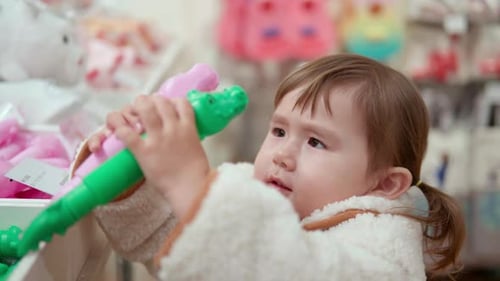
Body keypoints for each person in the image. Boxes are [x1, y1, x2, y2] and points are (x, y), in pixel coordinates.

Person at [72, 54, 465, 280]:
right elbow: (173, 239)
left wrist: (188, 180)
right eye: (278, 130)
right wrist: (132, 182)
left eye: (315, 141)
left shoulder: (386, 253)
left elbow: (293, 269)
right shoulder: (249, 195)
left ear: (384, 184)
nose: (283, 154)